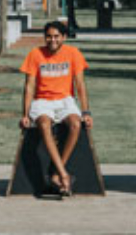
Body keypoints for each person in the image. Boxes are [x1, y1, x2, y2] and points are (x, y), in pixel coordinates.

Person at [19, 20, 93, 195]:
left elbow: (80, 84)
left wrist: (86, 112)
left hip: (65, 101)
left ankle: (57, 172)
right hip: (42, 101)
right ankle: (64, 175)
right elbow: (29, 87)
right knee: (44, 124)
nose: (52, 40)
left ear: (64, 37)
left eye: (56, 36)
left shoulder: (73, 53)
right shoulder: (35, 54)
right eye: (49, 36)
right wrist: (25, 114)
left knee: (75, 124)